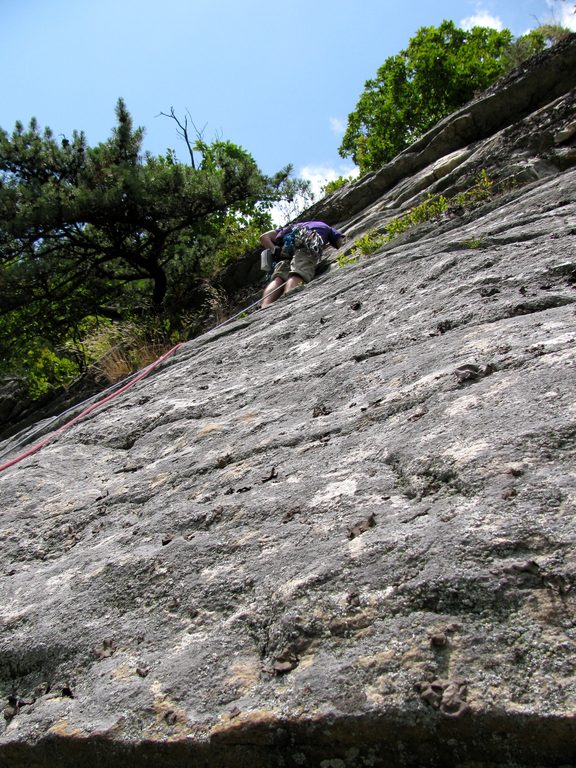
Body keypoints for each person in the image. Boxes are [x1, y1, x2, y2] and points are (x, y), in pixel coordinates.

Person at [260, 220, 346, 308]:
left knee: (279, 278)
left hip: (286, 249)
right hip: (308, 242)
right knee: (298, 272)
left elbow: (263, 237)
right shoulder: (325, 226)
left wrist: (275, 250)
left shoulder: (291, 227)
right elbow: (340, 241)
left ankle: (265, 306)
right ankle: (288, 303)